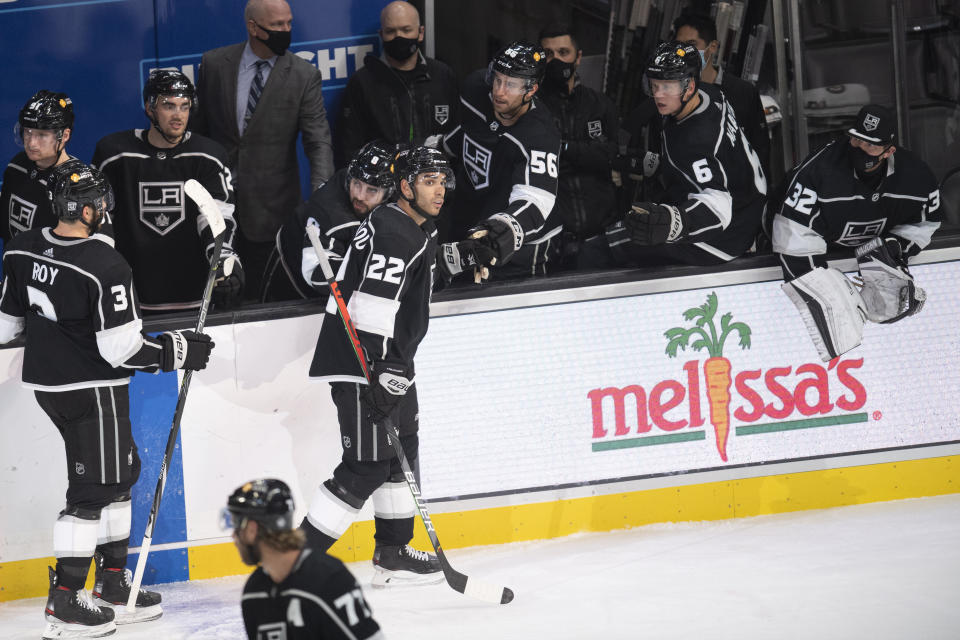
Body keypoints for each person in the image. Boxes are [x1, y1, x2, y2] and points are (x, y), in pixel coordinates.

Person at [0, 162, 214, 638]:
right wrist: (178, 350)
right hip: (92, 388)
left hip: (50, 387)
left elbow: (6, 325)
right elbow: (122, 350)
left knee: (121, 474)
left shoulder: (21, 247)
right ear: (90, 208)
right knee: (93, 490)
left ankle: (113, 583)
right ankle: (66, 599)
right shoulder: (105, 266)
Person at [300, 146, 455, 587]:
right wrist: (385, 374)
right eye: (428, 181)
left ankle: (392, 551)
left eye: (441, 181)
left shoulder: (409, 227)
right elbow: (368, 309)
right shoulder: (394, 231)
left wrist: (397, 370)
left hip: (388, 362)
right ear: (405, 187)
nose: (438, 190)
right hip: (364, 362)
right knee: (365, 466)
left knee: (400, 450)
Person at [772, 104, 941, 361]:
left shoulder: (917, 177)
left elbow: (925, 223)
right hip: (809, 242)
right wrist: (826, 287)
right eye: (856, 139)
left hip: (844, 242)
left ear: (889, 151)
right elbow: (790, 236)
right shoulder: (819, 172)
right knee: (836, 318)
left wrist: (895, 251)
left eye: (871, 145)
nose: (861, 149)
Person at [194, 0, 335, 301]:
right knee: (218, 296)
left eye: (289, 23)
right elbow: (198, 134)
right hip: (216, 207)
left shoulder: (303, 75)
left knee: (266, 300)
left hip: (273, 212)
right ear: (253, 27)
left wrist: (322, 197)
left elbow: (318, 141)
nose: (286, 30)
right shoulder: (215, 64)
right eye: (278, 26)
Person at [591, 41, 766, 268]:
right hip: (748, 205)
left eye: (667, 87)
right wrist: (658, 164)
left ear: (689, 86)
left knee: (603, 247)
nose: (658, 96)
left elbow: (718, 207)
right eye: (654, 85)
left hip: (725, 236)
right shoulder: (711, 94)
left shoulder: (695, 140)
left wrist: (674, 222)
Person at [93, 70, 242, 314]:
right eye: (168, 106)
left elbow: (217, 217)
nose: (178, 116)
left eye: (184, 107)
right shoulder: (114, 154)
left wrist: (224, 259)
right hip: (131, 295)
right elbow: (99, 219)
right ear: (150, 108)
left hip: (193, 294)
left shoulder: (208, 156)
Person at [620, 13, 770, 206]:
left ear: (712, 47)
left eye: (692, 45)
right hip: (681, 201)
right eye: (680, 47)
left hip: (732, 200)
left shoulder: (742, 93)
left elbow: (760, 149)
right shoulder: (665, 95)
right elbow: (649, 139)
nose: (684, 52)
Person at [441, 41, 562, 278]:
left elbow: (535, 200)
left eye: (511, 85)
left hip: (522, 249)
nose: (499, 91)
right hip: (475, 223)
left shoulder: (541, 136)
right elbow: (467, 131)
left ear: (532, 90)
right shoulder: (474, 90)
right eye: (497, 79)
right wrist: (432, 152)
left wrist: (505, 228)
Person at [224, 478, 384, 640]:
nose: (233, 536)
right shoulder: (254, 591)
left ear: (252, 530)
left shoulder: (328, 579)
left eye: (236, 525)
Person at [261, 140, 396, 302]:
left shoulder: (396, 199)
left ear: (389, 193)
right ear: (350, 178)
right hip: (290, 278)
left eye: (372, 190)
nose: (360, 196)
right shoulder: (329, 212)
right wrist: (373, 273)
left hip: (339, 288)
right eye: (357, 184)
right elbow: (317, 272)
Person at [336, 0, 459, 167]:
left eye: (406, 30)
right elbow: (350, 148)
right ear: (381, 35)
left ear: (420, 32)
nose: (398, 37)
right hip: (385, 186)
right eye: (390, 31)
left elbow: (458, 135)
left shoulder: (442, 75)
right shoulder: (362, 83)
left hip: (436, 183)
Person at [537, 24, 620, 270]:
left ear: (578, 57)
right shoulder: (532, 108)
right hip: (553, 243)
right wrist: (586, 152)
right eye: (549, 54)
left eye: (564, 52)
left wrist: (564, 149)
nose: (557, 60)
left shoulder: (600, 104)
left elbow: (612, 157)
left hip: (601, 236)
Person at [1, 91, 79, 249]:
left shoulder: (76, 183)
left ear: (64, 135)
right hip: (14, 270)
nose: (31, 144)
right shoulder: (18, 165)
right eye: (28, 133)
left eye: (42, 135)